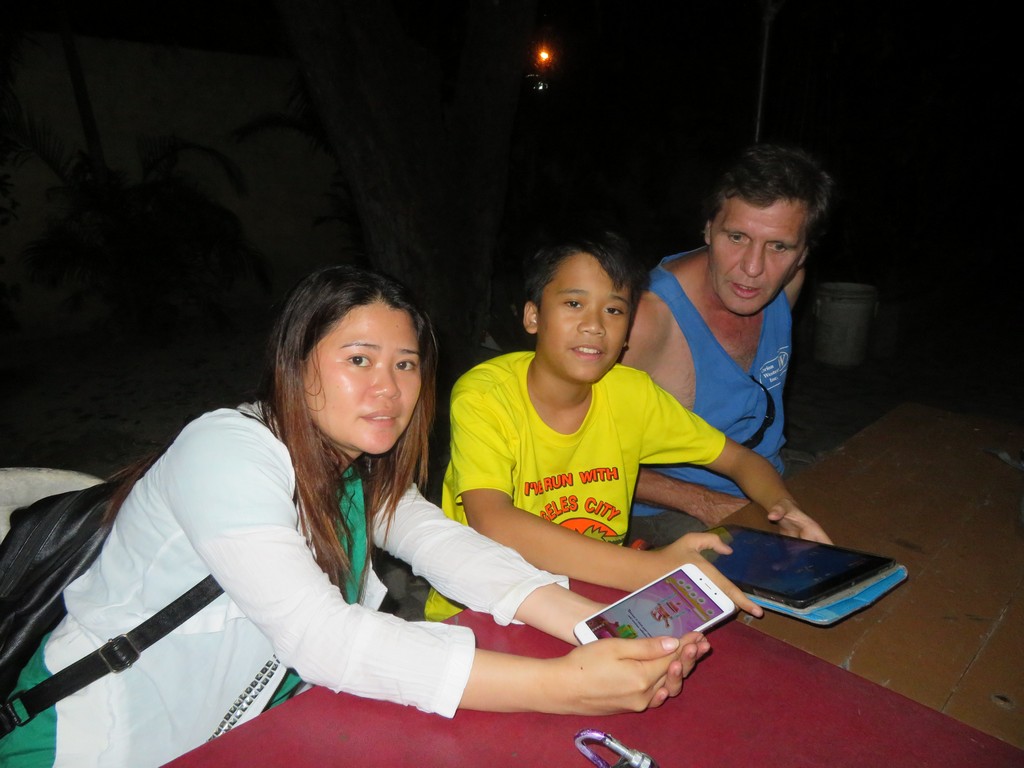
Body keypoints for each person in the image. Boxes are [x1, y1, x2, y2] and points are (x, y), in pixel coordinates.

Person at [0, 266, 715, 768]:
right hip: (98, 739)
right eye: (359, 359)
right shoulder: (226, 450)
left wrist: (600, 629)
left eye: (405, 365)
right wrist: (568, 687)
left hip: (237, 733)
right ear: (296, 362)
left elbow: (444, 543)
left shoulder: (354, 464)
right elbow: (322, 637)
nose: (389, 389)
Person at [424, 230, 826, 622]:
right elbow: (493, 522)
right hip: (484, 606)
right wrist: (650, 568)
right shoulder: (485, 396)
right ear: (533, 316)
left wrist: (783, 506)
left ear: (628, 332)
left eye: (614, 310)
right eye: (574, 303)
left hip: (594, 592)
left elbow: (740, 459)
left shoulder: (631, 395)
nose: (595, 325)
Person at [622, 144, 837, 547]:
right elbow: (575, 453)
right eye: (737, 237)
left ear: (802, 253)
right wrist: (705, 502)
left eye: (779, 246)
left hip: (768, 480)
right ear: (708, 229)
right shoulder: (646, 320)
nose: (752, 269)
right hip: (665, 508)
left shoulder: (789, 281)